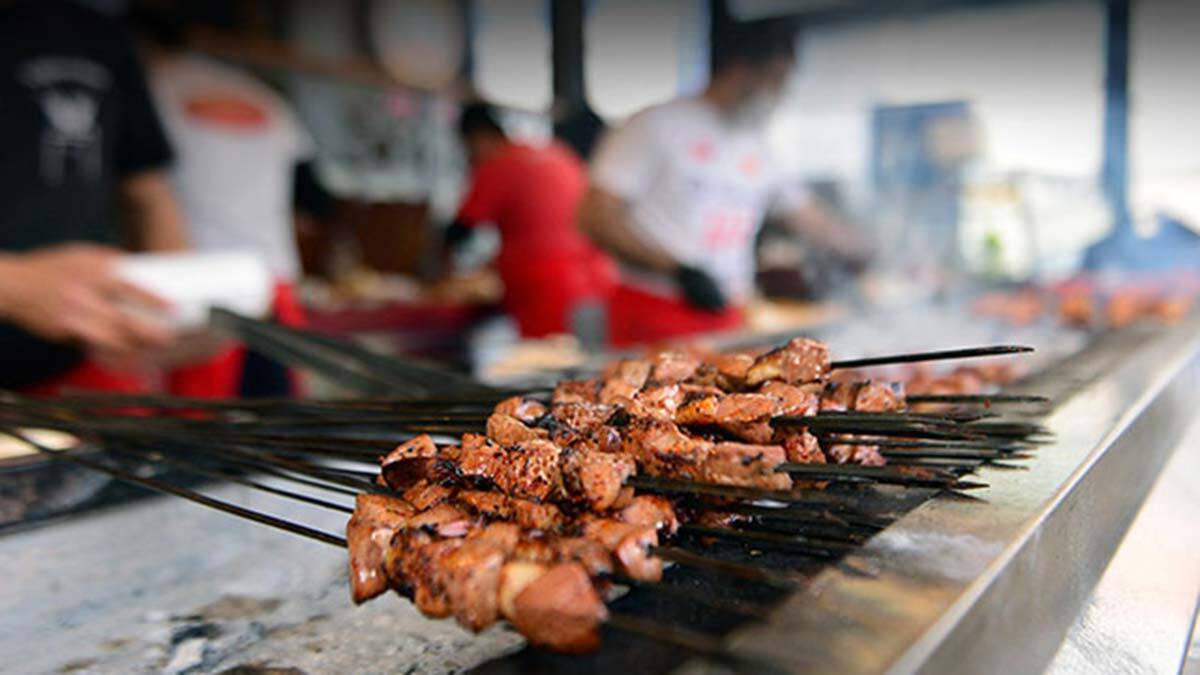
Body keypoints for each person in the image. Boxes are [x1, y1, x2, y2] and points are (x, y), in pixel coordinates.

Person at [579, 18, 869, 347]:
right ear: (742, 68)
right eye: (777, 78)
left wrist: (866, 249)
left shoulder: (758, 143)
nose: (781, 92)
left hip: (729, 313)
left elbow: (808, 217)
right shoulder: (654, 125)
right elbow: (595, 216)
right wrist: (678, 270)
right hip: (656, 311)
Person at [134, 7, 333, 397]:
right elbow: (315, 201)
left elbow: (134, 196)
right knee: (281, 427)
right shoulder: (264, 97)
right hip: (275, 283)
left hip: (195, 294)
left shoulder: (144, 90)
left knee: (198, 433)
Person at [0, 0, 189, 393]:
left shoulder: (101, 36)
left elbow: (147, 188)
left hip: (70, 365)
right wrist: (13, 284)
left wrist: (181, 302)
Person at [448, 103, 616, 339]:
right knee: (586, 359)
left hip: (546, 285)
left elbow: (460, 230)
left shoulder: (497, 163)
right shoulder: (557, 153)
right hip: (597, 277)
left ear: (478, 136)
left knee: (551, 364)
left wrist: (440, 274)